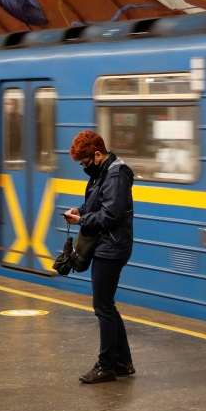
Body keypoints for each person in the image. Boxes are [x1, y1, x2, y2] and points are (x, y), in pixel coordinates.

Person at [63, 130, 135, 384]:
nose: (83, 167)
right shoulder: (102, 173)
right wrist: (79, 210)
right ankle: (123, 362)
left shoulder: (115, 174)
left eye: (84, 162)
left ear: (97, 154)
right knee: (107, 305)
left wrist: (82, 220)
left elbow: (110, 215)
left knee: (102, 307)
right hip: (107, 245)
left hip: (112, 247)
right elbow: (96, 205)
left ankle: (106, 366)